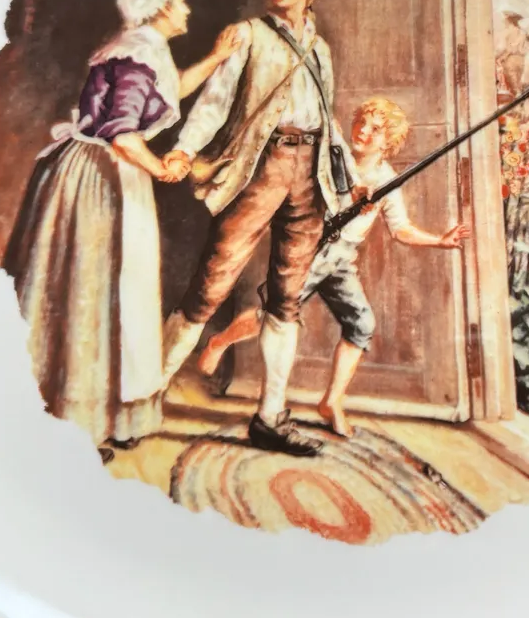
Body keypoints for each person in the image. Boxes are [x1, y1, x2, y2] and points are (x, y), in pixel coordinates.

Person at [3, 0, 242, 462]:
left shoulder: (142, 47)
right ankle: (81, 424)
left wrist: (217, 58)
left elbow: (169, 89)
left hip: (111, 174)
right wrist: (161, 168)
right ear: (160, 7)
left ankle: (111, 415)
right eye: (181, 1)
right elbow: (122, 133)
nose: (188, 10)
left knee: (119, 293)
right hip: (99, 180)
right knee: (95, 292)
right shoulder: (136, 52)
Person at [161, 0, 357, 457]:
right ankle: (143, 396)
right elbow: (215, 102)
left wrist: (351, 180)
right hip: (261, 168)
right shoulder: (248, 34)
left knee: (286, 299)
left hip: (310, 176)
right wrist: (185, 149)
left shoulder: (321, 48)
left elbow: (328, 118)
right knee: (211, 285)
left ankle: (270, 417)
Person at [196, 97, 471, 437]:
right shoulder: (331, 156)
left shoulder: (387, 179)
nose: (363, 131)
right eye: (361, 122)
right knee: (272, 313)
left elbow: (400, 230)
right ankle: (220, 342)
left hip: (342, 260)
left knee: (361, 324)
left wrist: (439, 241)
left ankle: (331, 401)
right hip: (310, 250)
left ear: (388, 144)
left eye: (375, 129)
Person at [496, 12, 526, 95]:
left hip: (509, 60)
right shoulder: (522, 32)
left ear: (508, 20)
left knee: (514, 89)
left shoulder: (506, 32)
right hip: (521, 60)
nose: (502, 21)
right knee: (520, 86)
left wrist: (495, 57)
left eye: (504, 19)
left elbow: (502, 48)